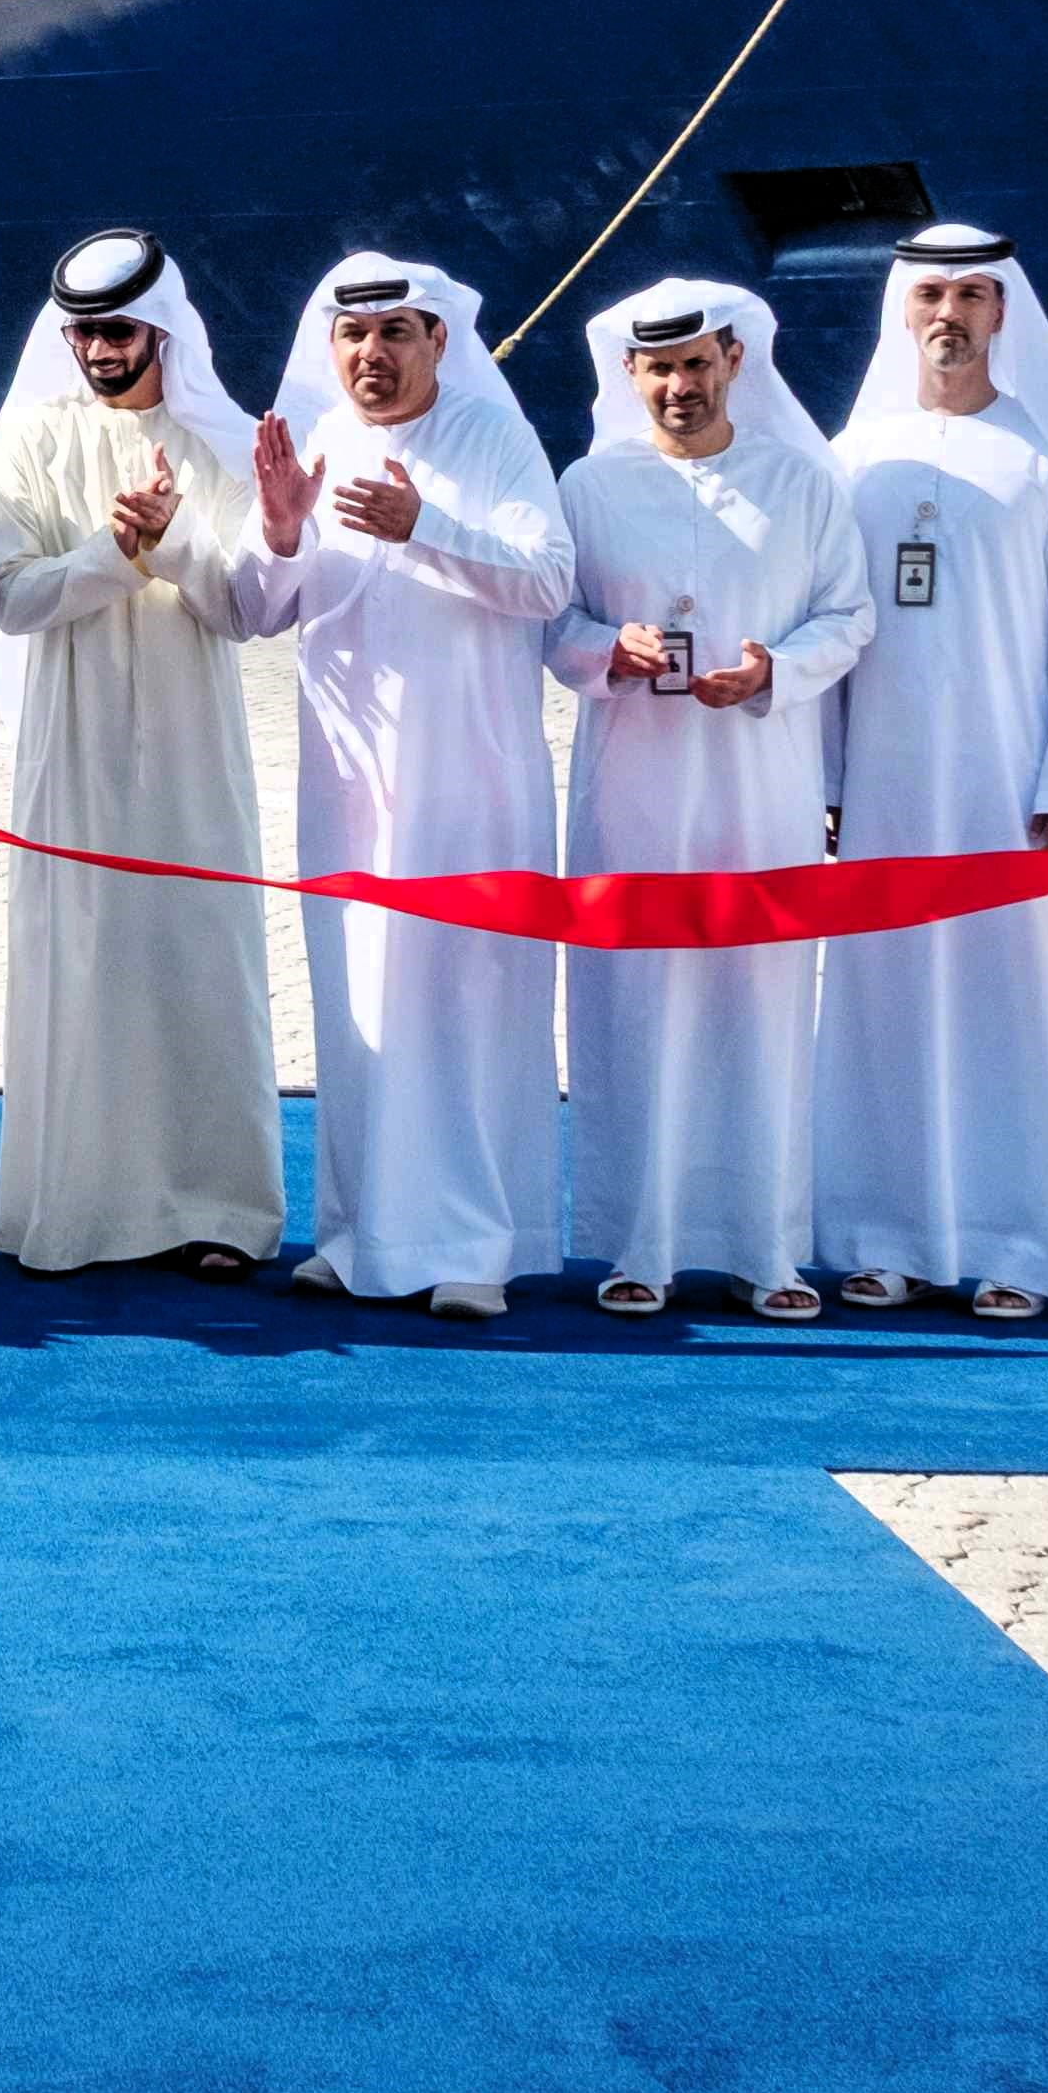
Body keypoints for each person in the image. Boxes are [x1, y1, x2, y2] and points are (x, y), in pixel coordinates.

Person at [246, 252, 579, 1318]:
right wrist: (280, 529)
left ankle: (474, 1243)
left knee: (464, 997)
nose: (372, 354)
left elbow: (549, 580)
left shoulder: (493, 436)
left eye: (395, 333)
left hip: (469, 778)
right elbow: (254, 608)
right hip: (349, 783)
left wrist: (423, 526)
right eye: (354, 335)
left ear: (439, 339)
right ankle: (362, 1234)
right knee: (360, 1000)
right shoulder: (318, 440)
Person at [550, 282, 878, 1325]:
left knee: (762, 1009)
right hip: (633, 793)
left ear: (734, 360)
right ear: (630, 373)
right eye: (659, 368)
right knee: (635, 1009)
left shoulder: (802, 480)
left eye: (696, 363)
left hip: (760, 789)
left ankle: (767, 1247)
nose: (678, 385)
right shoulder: (590, 484)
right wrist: (609, 649)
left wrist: (775, 668)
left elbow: (850, 614)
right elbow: (552, 622)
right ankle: (638, 1244)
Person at [813, 226, 1048, 1321]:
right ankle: (881, 1238)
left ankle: (1020, 1246)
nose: (949, 313)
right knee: (882, 1005)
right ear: (904, 309)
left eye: (972, 295)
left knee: (1011, 1012)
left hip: (1009, 792)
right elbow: (826, 628)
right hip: (883, 792)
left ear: (1003, 312)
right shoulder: (852, 460)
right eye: (931, 293)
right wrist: (825, 779)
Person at [0, 230, 289, 1282]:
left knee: (202, 951)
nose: (101, 351)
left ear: (161, 330)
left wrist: (176, 538)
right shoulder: (33, 436)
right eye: (84, 335)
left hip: (196, 745)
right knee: (83, 953)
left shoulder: (220, 441)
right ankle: (79, 1208)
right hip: (72, 741)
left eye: (117, 331)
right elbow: (12, 598)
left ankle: (219, 1208)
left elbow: (243, 610)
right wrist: (116, 550)